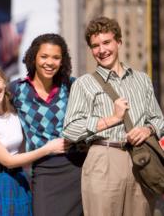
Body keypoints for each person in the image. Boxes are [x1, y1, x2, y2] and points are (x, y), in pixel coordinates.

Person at [0, 33, 84, 216]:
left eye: (56, 57)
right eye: (44, 56)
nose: (49, 62)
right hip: (44, 169)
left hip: (76, 166)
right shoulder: (18, 89)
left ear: (63, 61)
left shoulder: (72, 86)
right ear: (34, 58)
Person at [63, 16, 164, 216]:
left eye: (106, 42)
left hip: (141, 161)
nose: (102, 50)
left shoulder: (142, 80)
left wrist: (148, 129)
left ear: (118, 41)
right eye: (95, 46)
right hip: (103, 159)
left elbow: (158, 119)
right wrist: (112, 119)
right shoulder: (83, 84)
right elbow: (70, 129)